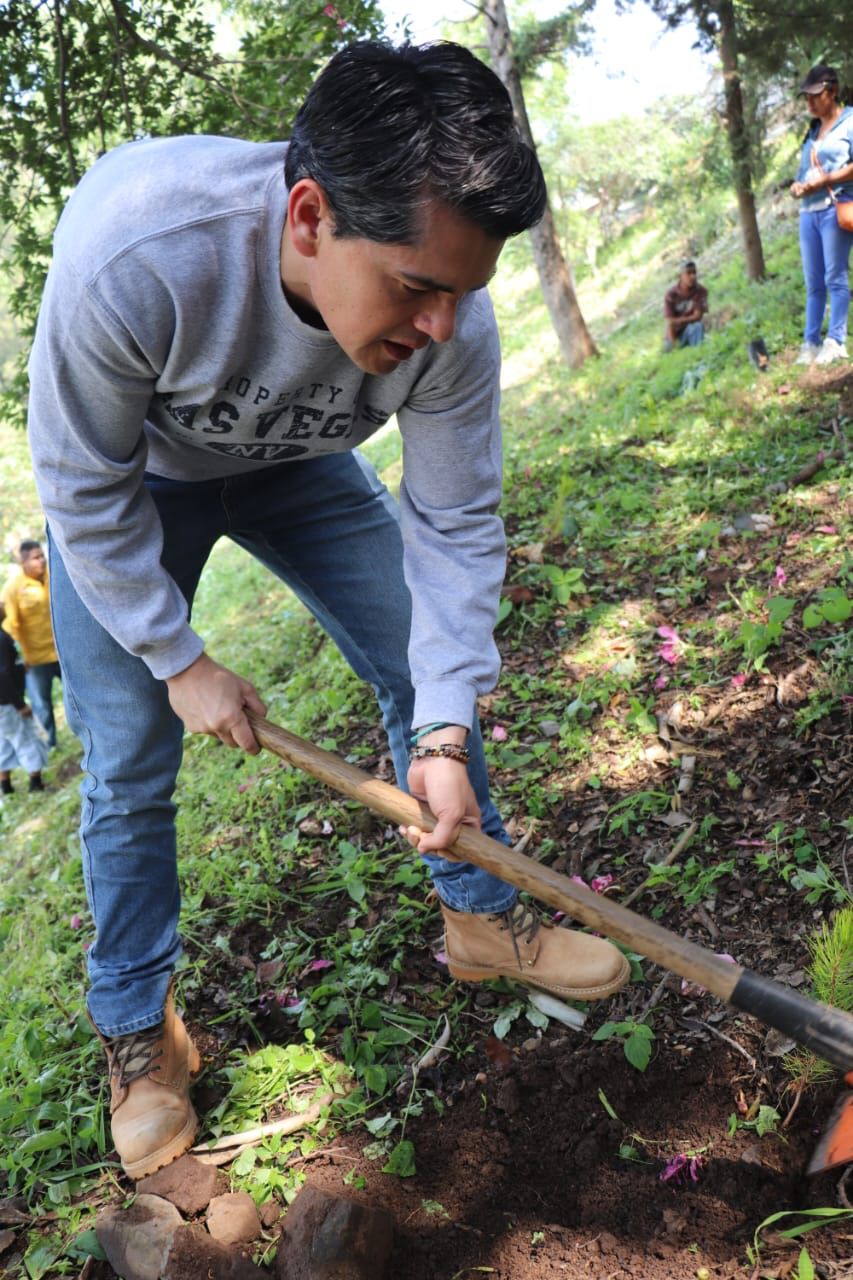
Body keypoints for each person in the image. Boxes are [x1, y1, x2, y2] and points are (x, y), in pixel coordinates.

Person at [27, 40, 629, 1180]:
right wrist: (178, 656)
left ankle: (477, 917)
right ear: (308, 216)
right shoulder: (139, 255)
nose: (442, 326)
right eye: (415, 287)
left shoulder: (451, 317)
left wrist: (443, 729)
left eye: (465, 292)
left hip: (298, 463)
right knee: (130, 757)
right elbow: (78, 486)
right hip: (136, 480)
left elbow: (454, 529)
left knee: (421, 660)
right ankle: (138, 1031)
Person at [790, 64, 853, 366]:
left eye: (816, 95)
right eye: (807, 97)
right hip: (808, 212)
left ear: (833, 91)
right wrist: (797, 186)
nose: (810, 103)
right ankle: (810, 343)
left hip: (835, 207)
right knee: (813, 282)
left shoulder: (850, 121)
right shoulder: (812, 131)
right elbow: (805, 171)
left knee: (835, 276)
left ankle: (836, 340)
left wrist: (826, 180)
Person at [1, 539, 62, 747]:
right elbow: (12, 627)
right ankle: (49, 744)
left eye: (42, 555)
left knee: (79, 696)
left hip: (63, 653)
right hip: (35, 660)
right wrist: (20, 657)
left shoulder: (54, 576)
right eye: (36, 558)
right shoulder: (13, 588)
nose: (42, 561)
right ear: (24, 562)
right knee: (42, 705)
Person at [0, 602, 47, 796]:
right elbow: (1, 675)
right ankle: (36, 783)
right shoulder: (1, 638)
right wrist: (20, 705)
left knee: (4, 741)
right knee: (25, 738)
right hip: (7, 702)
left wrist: (19, 668)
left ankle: (6, 787)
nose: (3, 603)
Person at [663, 260, 708, 352]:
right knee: (670, 350)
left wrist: (677, 321)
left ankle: (698, 352)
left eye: (694, 272)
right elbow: (670, 321)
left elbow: (697, 316)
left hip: (691, 330)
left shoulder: (701, 291)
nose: (693, 276)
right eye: (688, 273)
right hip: (673, 334)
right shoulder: (671, 294)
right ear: (680, 276)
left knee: (697, 326)